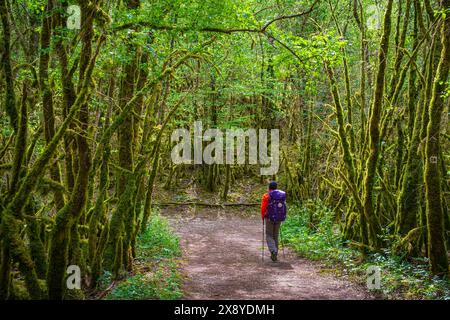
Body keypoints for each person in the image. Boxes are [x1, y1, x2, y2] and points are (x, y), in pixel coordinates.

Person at [261, 181, 286, 262]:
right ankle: (275, 254)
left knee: (269, 235)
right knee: (275, 235)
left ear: (269, 187)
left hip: (269, 218)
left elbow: (263, 208)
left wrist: (263, 216)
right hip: (279, 218)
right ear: (276, 187)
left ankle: (273, 251)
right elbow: (284, 206)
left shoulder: (266, 195)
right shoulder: (281, 195)